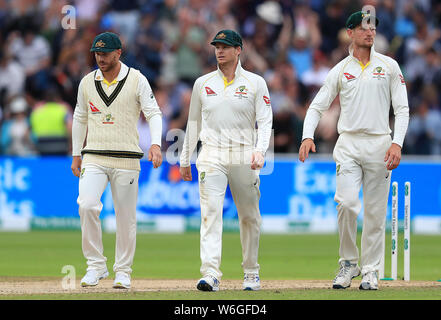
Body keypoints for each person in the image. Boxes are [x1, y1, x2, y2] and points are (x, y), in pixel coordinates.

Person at [299, 11, 409, 290]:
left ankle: (371, 270)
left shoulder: (390, 66)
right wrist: (306, 136)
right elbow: (317, 105)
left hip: (380, 144)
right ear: (351, 33)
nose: (369, 33)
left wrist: (397, 142)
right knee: (346, 204)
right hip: (347, 143)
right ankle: (348, 263)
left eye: (372, 28)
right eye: (363, 28)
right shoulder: (340, 69)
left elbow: (402, 109)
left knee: (374, 212)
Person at [179, 30, 273, 292]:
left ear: (238, 50)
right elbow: (193, 122)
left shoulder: (255, 83)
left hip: (244, 152)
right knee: (211, 213)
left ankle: (251, 272)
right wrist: (186, 157)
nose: (219, 51)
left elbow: (265, 120)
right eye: (216, 46)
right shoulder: (203, 83)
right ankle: (210, 273)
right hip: (211, 153)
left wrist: (260, 150)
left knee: (249, 216)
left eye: (225, 46)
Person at [71, 32, 163, 289]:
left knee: (125, 217)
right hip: (94, 156)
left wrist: (155, 143)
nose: (100, 58)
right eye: (97, 53)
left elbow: (153, 112)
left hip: (127, 158)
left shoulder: (137, 79)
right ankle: (95, 265)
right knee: (87, 205)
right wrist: (76, 153)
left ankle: (123, 271)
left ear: (118, 53)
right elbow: (80, 117)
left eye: (105, 53)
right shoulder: (87, 82)